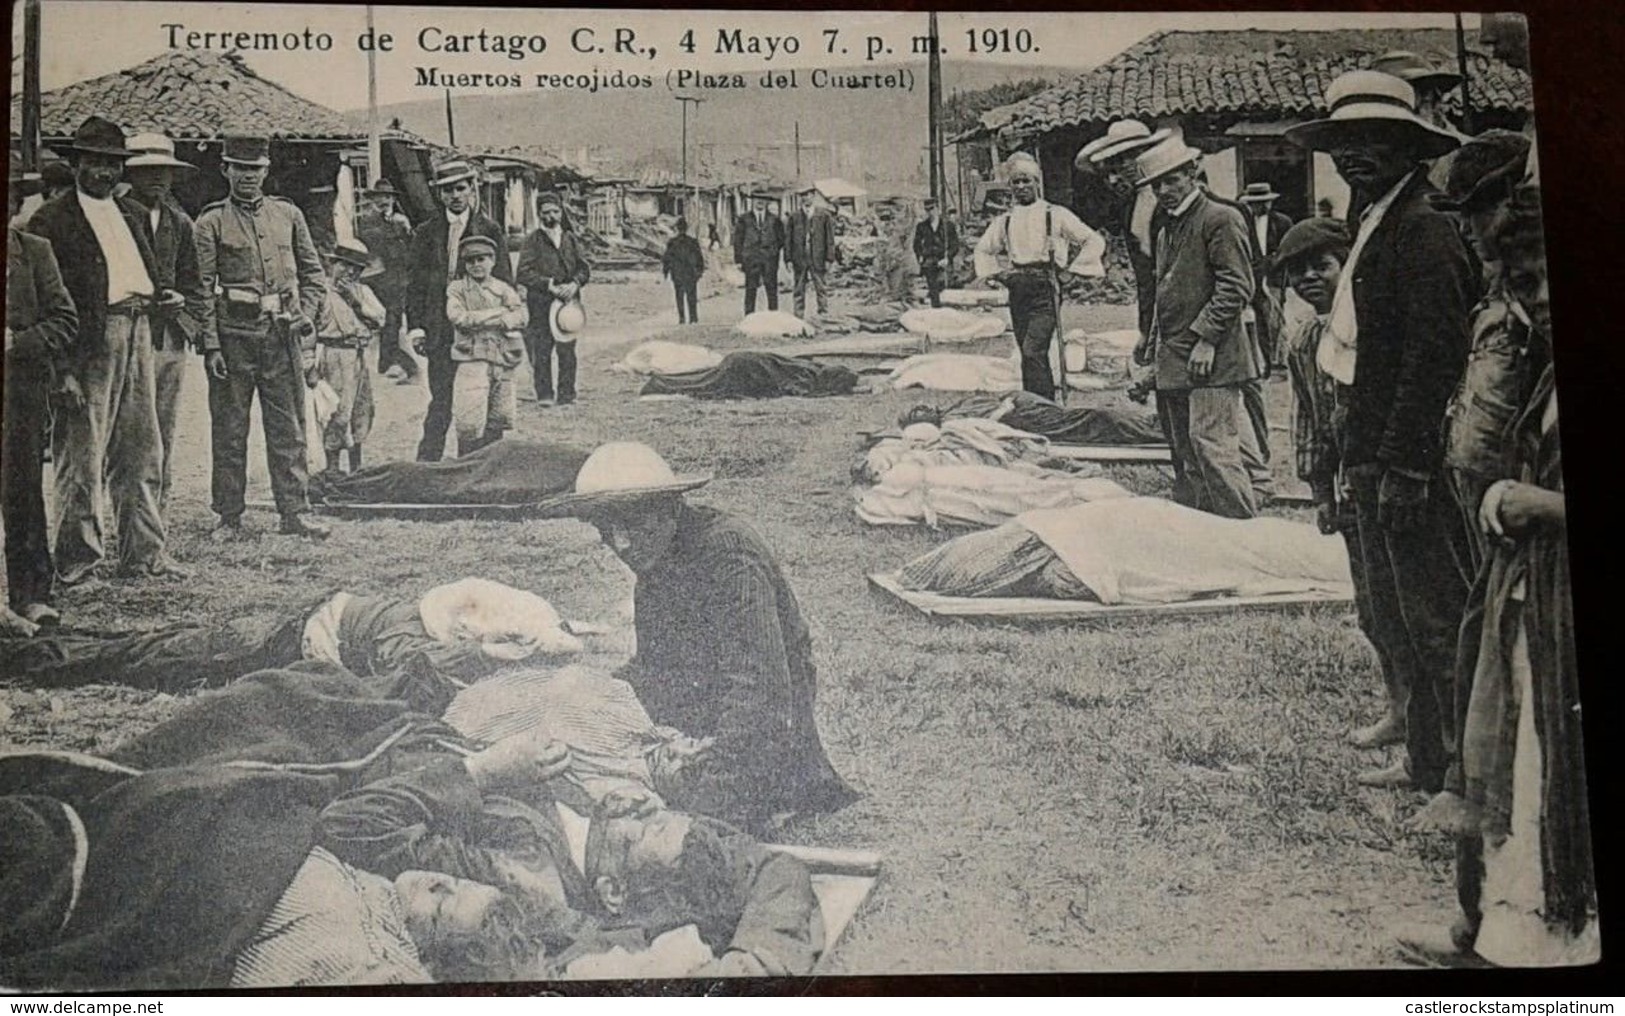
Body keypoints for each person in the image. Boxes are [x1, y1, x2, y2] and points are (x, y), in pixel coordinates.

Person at [1397, 186, 1595, 969]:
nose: (1540, 300)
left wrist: (1532, 504)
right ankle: (1507, 936)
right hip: (1533, 595)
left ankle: (1552, 946)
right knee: (1522, 758)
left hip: (1557, 601)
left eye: (1549, 277)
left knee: (1555, 767)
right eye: (1523, 284)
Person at [1286, 70, 1477, 791]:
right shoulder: (1376, 219)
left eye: (1374, 140)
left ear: (1408, 146)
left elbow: (1431, 359)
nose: (1355, 156)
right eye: (1343, 143)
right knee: (1393, 612)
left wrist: (1404, 464)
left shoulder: (1423, 227)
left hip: (1406, 457)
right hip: (1369, 447)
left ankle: (1461, 775)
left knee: (1433, 619)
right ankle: (1426, 758)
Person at [552, 442, 858, 834]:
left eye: (632, 524)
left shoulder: (729, 555)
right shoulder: (656, 563)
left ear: (670, 507)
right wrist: (595, 699)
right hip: (693, 734)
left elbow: (761, 693)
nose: (621, 544)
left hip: (758, 743)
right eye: (606, 530)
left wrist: (715, 788)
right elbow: (655, 671)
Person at [25, 115, 186, 582]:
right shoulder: (51, 220)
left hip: (139, 332)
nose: (104, 173)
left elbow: (146, 277)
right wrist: (63, 369)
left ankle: (144, 553)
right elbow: (42, 303)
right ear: (77, 164)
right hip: (88, 344)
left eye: (113, 165)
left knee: (141, 451)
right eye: (94, 163)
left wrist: (164, 297)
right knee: (82, 454)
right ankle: (78, 559)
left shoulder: (131, 215)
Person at [193, 133, 331, 541]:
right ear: (226, 170)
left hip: (280, 336)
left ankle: (294, 511)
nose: (248, 176)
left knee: (288, 426)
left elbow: (314, 274)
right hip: (234, 337)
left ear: (266, 170)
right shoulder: (211, 221)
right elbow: (201, 289)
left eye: (255, 169)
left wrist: (304, 315)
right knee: (231, 428)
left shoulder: (288, 215)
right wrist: (212, 345)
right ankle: (229, 516)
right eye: (240, 168)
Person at [1131, 135, 1261, 519]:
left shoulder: (1220, 218)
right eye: (1157, 185)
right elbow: (1164, 293)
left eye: (1173, 180)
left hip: (1213, 358)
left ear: (1193, 172)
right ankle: (1207, 538)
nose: (1165, 191)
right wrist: (1151, 351)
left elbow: (1236, 285)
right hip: (1175, 360)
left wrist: (1207, 339)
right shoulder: (1166, 229)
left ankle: (1245, 535)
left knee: (1213, 448)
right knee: (1187, 458)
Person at [5, 168, 78, 631]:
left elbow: (65, 320)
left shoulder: (34, 253)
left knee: (22, 492)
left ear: (14, 205)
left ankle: (31, 596)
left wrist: (20, 341)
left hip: (18, 394)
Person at [972, 152, 1107, 401]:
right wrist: (997, 274)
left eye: (1026, 181)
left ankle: (1044, 404)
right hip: (1018, 288)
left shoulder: (1055, 214)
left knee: (1033, 349)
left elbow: (1092, 240)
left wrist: (1071, 272)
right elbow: (983, 249)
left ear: (1037, 182)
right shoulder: (1006, 220)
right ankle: (1033, 405)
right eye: (1016, 182)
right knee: (1027, 353)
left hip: (1046, 287)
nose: (1021, 187)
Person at [122, 133, 205, 519]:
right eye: (147, 170)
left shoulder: (179, 223)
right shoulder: (116, 215)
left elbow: (194, 283)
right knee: (128, 433)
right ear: (130, 172)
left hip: (168, 339)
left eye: (164, 171)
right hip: (125, 336)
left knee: (163, 429)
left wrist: (182, 307)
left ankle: (156, 515)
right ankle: (127, 518)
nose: (157, 178)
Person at [406, 159, 510, 461]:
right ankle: (427, 469)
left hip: (480, 333)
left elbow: (505, 281)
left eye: (460, 188)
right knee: (441, 400)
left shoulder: (490, 230)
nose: (455, 195)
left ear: (472, 189)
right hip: (440, 332)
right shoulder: (427, 232)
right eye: (448, 190)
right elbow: (415, 283)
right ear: (440, 195)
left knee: (478, 400)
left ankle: (478, 466)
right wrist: (416, 327)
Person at [1074, 119, 1168, 342]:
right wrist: (1145, 331)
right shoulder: (1127, 205)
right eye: (1117, 161)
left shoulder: (1172, 198)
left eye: (1132, 156)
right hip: (1151, 301)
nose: (1126, 165)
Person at [447, 234, 529, 456]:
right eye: (471, 261)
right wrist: (500, 314)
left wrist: (506, 318)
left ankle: (491, 468)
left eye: (481, 259)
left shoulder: (503, 288)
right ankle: (466, 467)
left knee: (499, 417)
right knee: (469, 420)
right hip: (472, 357)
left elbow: (521, 315)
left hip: (502, 357)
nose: (476, 265)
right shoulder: (457, 289)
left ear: (492, 261)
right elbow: (460, 318)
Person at [313, 238, 385, 475]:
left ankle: (356, 467)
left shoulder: (363, 292)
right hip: (332, 353)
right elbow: (308, 328)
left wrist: (357, 304)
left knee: (361, 409)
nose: (348, 272)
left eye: (355, 268)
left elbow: (380, 319)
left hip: (358, 354)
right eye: (344, 265)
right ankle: (332, 468)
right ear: (333, 265)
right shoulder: (320, 292)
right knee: (335, 412)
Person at [516, 193, 591, 406]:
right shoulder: (533, 240)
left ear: (561, 212)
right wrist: (549, 285)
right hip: (541, 303)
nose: (551, 216)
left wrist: (574, 284)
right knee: (542, 349)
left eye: (555, 211)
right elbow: (523, 272)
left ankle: (567, 394)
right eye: (546, 212)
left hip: (568, 304)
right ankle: (545, 394)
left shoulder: (569, 239)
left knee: (567, 349)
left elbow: (584, 268)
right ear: (539, 214)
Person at [354, 179, 418, 384]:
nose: (384, 200)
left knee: (395, 319)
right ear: (373, 200)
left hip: (399, 277)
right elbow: (372, 243)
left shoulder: (401, 220)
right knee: (385, 319)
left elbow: (410, 246)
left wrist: (405, 230)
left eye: (388, 197)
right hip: (377, 277)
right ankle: (388, 361)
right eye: (380, 197)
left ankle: (392, 361)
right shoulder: (366, 221)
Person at [1236, 182, 1293, 368]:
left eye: (1264, 202)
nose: (1260, 206)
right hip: (1253, 278)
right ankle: (1269, 362)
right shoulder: (1243, 222)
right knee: (1259, 320)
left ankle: (1279, 359)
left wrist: (1273, 262)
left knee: (1275, 319)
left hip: (1275, 278)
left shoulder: (1282, 222)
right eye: (1255, 203)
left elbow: (1288, 250)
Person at [787, 189, 839, 318]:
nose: (805, 198)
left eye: (808, 195)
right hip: (800, 258)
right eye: (803, 196)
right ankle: (798, 315)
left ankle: (823, 314)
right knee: (799, 288)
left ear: (813, 196)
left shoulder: (824, 215)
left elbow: (830, 239)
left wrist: (829, 258)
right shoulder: (794, 216)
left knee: (821, 287)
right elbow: (788, 239)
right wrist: (788, 259)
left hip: (818, 258)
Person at [733, 194, 785, 315]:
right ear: (753, 201)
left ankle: (774, 317)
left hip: (769, 260)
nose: (760, 202)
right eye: (757, 199)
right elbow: (738, 240)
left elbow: (781, 239)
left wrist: (772, 251)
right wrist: (739, 260)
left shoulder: (774, 219)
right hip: (751, 260)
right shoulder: (744, 219)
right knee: (750, 290)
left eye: (762, 200)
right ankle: (749, 318)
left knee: (771, 289)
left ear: (766, 202)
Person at [911, 198, 957, 308]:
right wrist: (920, 257)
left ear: (937, 208)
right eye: (927, 210)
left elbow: (955, 245)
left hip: (943, 259)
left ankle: (939, 303)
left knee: (943, 284)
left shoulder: (948, 226)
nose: (930, 212)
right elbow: (916, 244)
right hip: (929, 260)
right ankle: (936, 309)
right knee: (933, 286)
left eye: (932, 209)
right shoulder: (922, 226)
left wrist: (948, 257)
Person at [661, 217, 705, 324]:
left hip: (677, 273)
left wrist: (666, 271)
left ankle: (682, 318)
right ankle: (693, 317)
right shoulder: (693, 242)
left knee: (679, 296)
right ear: (686, 228)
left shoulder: (672, 242)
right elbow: (699, 258)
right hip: (690, 273)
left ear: (677, 228)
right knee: (692, 295)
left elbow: (667, 258)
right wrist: (700, 271)